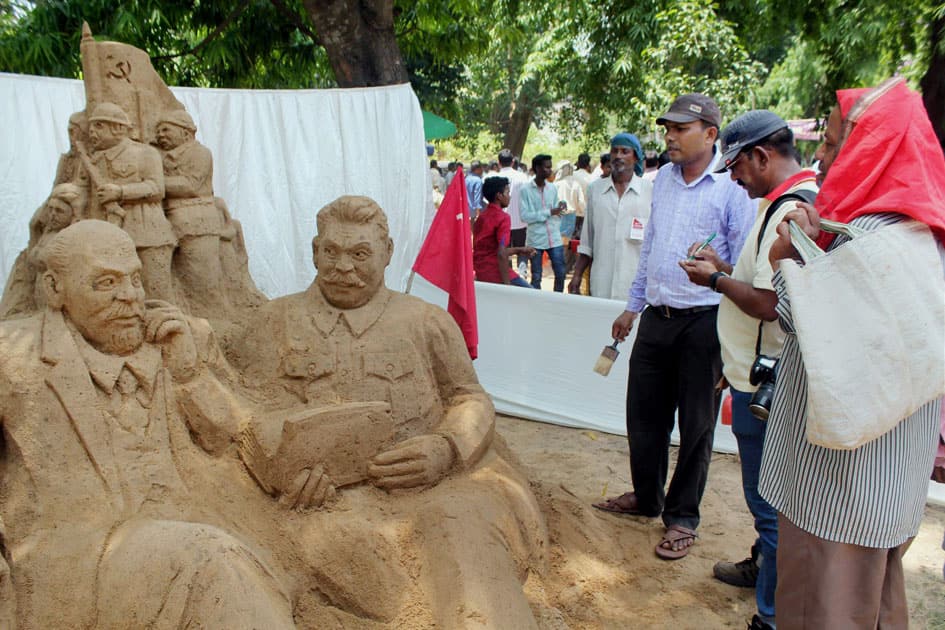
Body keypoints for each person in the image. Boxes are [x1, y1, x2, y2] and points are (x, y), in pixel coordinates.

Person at [234, 196, 547, 628]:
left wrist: (446, 448)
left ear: (387, 253)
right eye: (332, 252)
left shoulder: (425, 322)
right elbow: (248, 411)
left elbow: (470, 397)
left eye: (360, 254)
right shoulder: (274, 322)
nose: (344, 267)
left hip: (428, 490)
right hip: (324, 503)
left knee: (461, 537)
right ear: (314, 251)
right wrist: (285, 472)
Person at [0, 220, 296, 629]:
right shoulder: (13, 357)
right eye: (106, 282)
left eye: (135, 280)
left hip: (198, 531)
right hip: (86, 557)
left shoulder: (177, 340)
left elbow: (235, 443)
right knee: (214, 563)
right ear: (54, 289)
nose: (129, 297)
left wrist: (191, 376)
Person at [759, 78, 945, 630]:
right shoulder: (921, 234)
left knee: (828, 606)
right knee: (876, 601)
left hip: (841, 487)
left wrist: (785, 258)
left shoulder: (871, 238)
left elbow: (816, 329)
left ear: (874, 148)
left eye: (836, 142)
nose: (821, 153)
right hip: (882, 483)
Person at [592, 94, 754, 560]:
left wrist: (718, 268)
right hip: (657, 319)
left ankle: (682, 517)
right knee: (643, 417)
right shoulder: (661, 177)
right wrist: (632, 306)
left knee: (697, 425)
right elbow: (650, 248)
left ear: (709, 135)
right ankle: (647, 497)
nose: (669, 136)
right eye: (667, 128)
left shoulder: (731, 189)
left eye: (681, 129)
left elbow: (744, 269)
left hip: (705, 323)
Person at [679, 110, 817, 630]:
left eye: (736, 166)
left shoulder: (791, 210)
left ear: (761, 156)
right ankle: (764, 569)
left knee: (771, 503)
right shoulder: (781, 203)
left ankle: (772, 615)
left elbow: (766, 302)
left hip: (771, 381)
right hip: (755, 371)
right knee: (769, 498)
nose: (733, 178)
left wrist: (714, 280)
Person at [83, 102, 177, 302]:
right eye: (91, 126)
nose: (92, 132)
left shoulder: (145, 153)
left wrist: (120, 192)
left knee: (156, 292)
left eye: (99, 126)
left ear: (118, 128)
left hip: (148, 235)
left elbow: (156, 188)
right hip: (110, 235)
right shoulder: (94, 159)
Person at [155, 109, 229, 318]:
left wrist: (153, 183)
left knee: (202, 278)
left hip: (198, 223)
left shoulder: (199, 153)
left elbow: (190, 185)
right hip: (171, 222)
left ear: (186, 132)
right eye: (158, 131)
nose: (160, 135)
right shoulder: (161, 157)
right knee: (180, 279)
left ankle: (216, 321)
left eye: (166, 129)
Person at [569, 132, 653, 299]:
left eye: (625, 151)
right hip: (601, 283)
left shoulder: (649, 191)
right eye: (615, 151)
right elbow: (588, 240)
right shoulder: (596, 190)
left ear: (636, 157)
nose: (618, 156)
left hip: (635, 287)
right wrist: (577, 274)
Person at [473, 176, 536, 287]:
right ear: (499, 196)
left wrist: (519, 250)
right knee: (531, 294)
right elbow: (501, 253)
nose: (509, 196)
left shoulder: (481, 218)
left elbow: (488, 249)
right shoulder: (503, 218)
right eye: (507, 192)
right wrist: (507, 284)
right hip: (496, 272)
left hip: (480, 271)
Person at [520, 154, 567, 291]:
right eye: (547, 167)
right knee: (536, 276)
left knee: (560, 273)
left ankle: (557, 301)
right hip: (535, 239)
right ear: (537, 168)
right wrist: (549, 212)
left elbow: (555, 209)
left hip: (554, 236)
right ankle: (536, 306)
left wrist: (560, 208)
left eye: (550, 167)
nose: (550, 170)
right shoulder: (525, 190)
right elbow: (525, 216)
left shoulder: (552, 188)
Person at [554, 160, 585, 240]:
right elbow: (581, 203)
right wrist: (582, 213)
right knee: (566, 241)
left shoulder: (556, 185)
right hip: (571, 216)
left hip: (557, 216)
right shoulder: (576, 184)